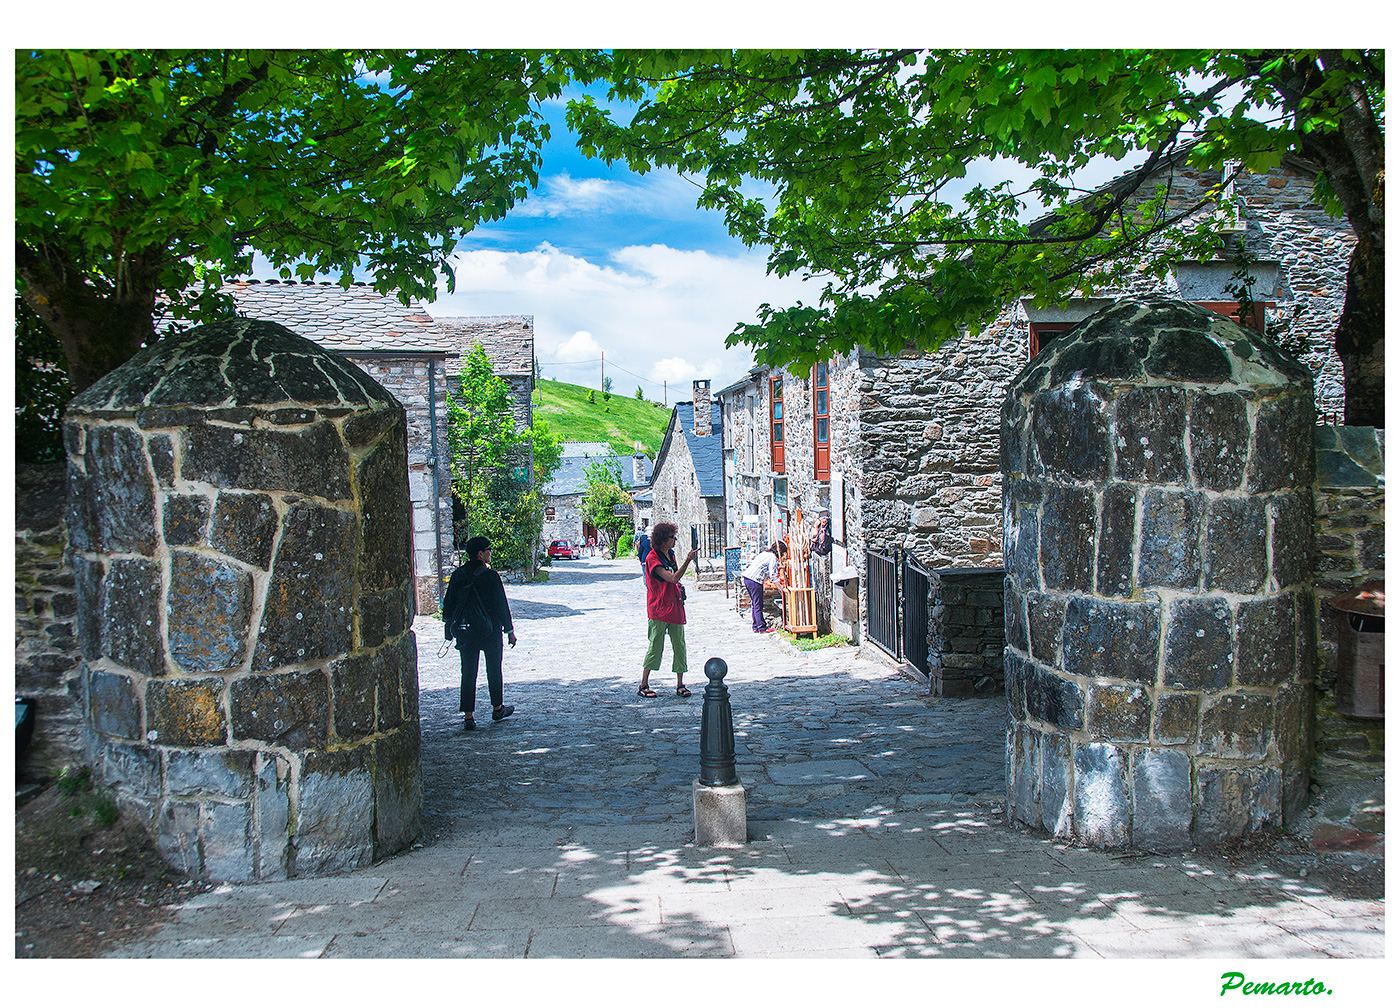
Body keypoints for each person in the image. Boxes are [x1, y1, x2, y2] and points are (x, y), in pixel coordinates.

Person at [443, 535, 517, 730]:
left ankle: (468, 716)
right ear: (480, 554)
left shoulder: (458, 575)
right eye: (488, 549)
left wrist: (448, 631)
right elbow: (501, 605)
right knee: (494, 669)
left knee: (467, 672)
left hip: (465, 631)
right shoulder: (490, 576)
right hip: (489, 630)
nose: (490, 552)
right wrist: (509, 630)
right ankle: (497, 707)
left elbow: (449, 605)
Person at [638, 521, 698, 699]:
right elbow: (672, 578)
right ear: (664, 539)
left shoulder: (669, 555)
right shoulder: (652, 559)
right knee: (656, 646)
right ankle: (644, 684)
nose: (675, 540)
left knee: (679, 645)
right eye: (673, 537)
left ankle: (680, 684)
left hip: (675, 605)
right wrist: (688, 561)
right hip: (658, 608)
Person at [741, 541, 788, 633]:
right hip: (755, 580)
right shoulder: (772, 558)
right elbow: (773, 576)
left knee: (755, 603)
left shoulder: (765, 553)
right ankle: (762, 627)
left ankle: (756, 626)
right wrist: (780, 588)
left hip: (748, 578)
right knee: (758, 603)